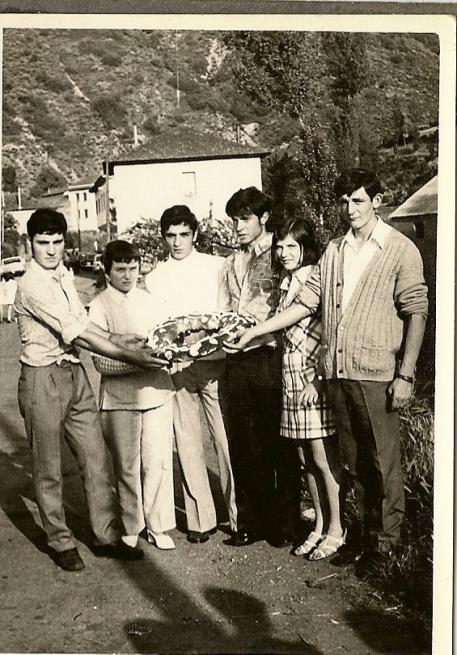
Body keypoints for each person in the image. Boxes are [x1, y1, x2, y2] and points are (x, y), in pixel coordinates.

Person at [231, 169, 428, 576]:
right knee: (354, 463)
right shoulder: (336, 250)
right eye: (344, 202)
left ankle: (387, 547)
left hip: (376, 374)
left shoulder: (399, 248)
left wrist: (406, 374)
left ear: (377, 201)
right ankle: (363, 538)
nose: (350, 209)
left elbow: (416, 312)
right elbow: (305, 303)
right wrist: (254, 331)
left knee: (382, 463)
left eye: (358, 200)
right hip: (338, 373)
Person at [15, 208, 167, 571]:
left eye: (57, 242)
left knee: (97, 458)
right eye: (42, 243)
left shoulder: (62, 275)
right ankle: (60, 541)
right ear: (30, 244)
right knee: (48, 467)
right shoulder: (32, 284)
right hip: (42, 378)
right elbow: (80, 334)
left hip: (73, 374)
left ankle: (106, 536)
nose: (51, 250)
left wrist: (118, 337)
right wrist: (132, 355)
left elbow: (82, 321)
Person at [145, 205, 237, 544]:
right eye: (171, 235)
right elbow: (157, 326)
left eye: (184, 234)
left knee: (225, 440)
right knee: (187, 442)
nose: (177, 242)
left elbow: (226, 313)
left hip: (215, 362)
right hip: (179, 368)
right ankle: (201, 520)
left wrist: (208, 336)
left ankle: (238, 515)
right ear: (163, 237)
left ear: (195, 234)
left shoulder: (216, 266)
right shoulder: (155, 277)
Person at [221, 187, 301, 548]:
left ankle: (285, 523)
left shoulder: (280, 253)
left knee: (278, 441)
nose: (238, 226)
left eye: (245, 219)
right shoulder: (230, 261)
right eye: (234, 220)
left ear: (263, 218)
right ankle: (251, 522)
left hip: (270, 356)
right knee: (243, 442)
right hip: (236, 359)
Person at [89, 240, 176, 552]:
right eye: (120, 269)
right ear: (107, 271)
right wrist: (139, 360)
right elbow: (101, 362)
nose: (128, 276)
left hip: (156, 392)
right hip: (119, 398)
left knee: (157, 461)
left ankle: (157, 524)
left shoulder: (152, 301)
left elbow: (168, 341)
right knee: (127, 465)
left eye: (133, 268)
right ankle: (131, 525)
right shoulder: (99, 305)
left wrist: (167, 354)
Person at [272, 215, 344, 560]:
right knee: (305, 459)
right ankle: (319, 525)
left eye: (292, 246)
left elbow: (332, 330)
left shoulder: (316, 277)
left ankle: (337, 528)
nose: (284, 252)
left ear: (306, 247)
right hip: (291, 380)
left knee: (322, 457)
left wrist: (316, 379)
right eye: (280, 246)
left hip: (313, 382)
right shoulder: (286, 282)